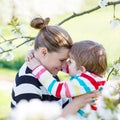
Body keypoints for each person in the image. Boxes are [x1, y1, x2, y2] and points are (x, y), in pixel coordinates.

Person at [11, 17, 99, 116]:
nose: (65, 65)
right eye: (62, 60)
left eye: (67, 60)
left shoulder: (48, 72)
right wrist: (76, 104)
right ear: (44, 52)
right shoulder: (26, 81)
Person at [26, 40, 107, 119]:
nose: (66, 63)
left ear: (82, 70)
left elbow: (56, 89)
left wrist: (37, 68)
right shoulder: (93, 78)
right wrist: (39, 55)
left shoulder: (85, 81)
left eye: (70, 61)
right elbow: (65, 68)